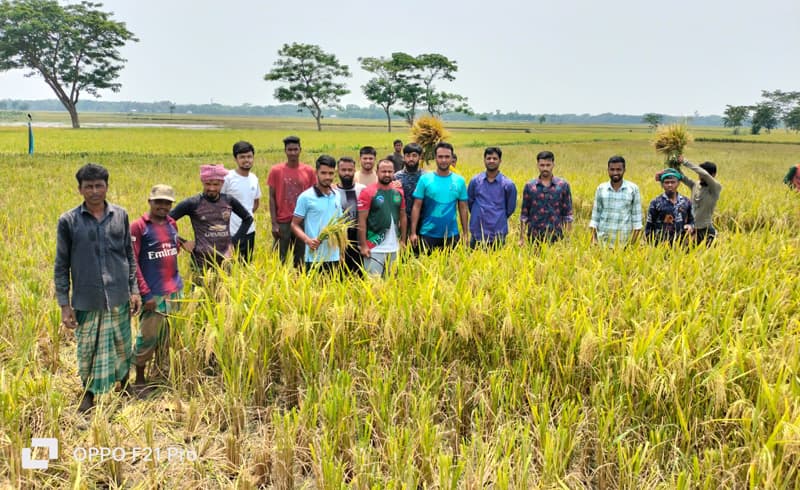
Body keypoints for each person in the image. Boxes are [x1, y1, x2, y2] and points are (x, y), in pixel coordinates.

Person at [55, 163, 141, 413]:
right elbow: (61, 264)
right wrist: (64, 305)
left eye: (99, 185)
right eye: (89, 186)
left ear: (107, 186)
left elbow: (128, 255)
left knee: (123, 344)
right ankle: (89, 393)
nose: (94, 191)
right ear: (80, 189)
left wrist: (134, 290)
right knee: (88, 349)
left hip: (119, 295)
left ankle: (123, 384)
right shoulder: (68, 221)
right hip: (87, 298)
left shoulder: (121, 215)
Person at [130, 184, 184, 387]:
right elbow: (132, 261)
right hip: (153, 294)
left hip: (174, 290)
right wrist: (145, 293)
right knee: (148, 337)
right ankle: (140, 380)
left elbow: (173, 249)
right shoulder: (139, 227)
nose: (163, 206)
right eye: (158, 201)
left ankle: (161, 374)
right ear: (150, 202)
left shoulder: (172, 224)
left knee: (168, 337)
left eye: (167, 202)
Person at [170, 164, 253, 275]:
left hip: (226, 261)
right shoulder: (193, 203)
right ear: (202, 182)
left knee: (226, 291)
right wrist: (182, 242)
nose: (212, 188)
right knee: (200, 292)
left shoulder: (228, 200)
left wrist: (233, 242)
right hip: (201, 262)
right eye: (208, 184)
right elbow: (165, 222)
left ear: (222, 183)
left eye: (216, 184)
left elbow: (248, 219)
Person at [410, 142, 469, 251]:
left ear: (452, 158)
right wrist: (413, 232)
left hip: (452, 235)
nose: (443, 160)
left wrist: (465, 233)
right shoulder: (425, 179)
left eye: (447, 157)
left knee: (452, 267)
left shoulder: (459, 181)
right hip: (427, 234)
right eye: (440, 157)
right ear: (435, 158)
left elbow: (463, 208)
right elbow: (416, 207)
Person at [268, 136, 316, 267]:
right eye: (290, 150)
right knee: (279, 259)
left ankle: (298, 283)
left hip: (302, 221)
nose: (293, 153)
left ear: (300, 150)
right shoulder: (276, 171)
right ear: (285, 151)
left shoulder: (309, 171)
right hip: (283, 221)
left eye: (295, 149)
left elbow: (314, 197)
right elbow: (271, 198)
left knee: (300, 258)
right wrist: (274, 223)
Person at [291, 155, 344, 272]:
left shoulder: (337, 195)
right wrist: (307, 240)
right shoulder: (306, 197)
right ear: (316, 173)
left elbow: (339, 225)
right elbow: (294, 224)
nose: (327, 177)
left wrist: (341, 252)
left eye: (331, 173)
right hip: (314, 256)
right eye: (323, 173)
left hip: (334, 255)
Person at [358, 159, 407, 276]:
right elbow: (361, 221)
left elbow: (403, 216)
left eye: (390, 171)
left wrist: (403, 241)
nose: (387, 174)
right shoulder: (368, 192)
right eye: (383, 171)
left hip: (394, 248)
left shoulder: (398, 191)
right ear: (377, 172)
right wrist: (364, 245)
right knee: (373, 285)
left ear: (394, 172)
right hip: (374, 248)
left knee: (393, 285)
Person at [519, 150, 574, 244]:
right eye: (542, 165)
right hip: (534, 236)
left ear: (553, 165)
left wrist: (568, 238)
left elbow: (568, 214)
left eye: (548, 165)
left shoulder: (562, 185)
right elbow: (524, 214)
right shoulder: (530, 186)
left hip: (557, 236)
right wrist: (522, 238)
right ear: (537, 165)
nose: (545, 168)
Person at [467, 146, 517, 247]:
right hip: (477, 233)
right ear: (484, 160)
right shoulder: (475, 181)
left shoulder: (508, 184)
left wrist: (497, 216)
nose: (491, 161)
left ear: (500, 161)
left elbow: (510, 209)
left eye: (495, 158)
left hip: (497, 233)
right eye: (488, 158)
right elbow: (470, 203)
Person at [589, 155, 643, 247]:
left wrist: (631, 245)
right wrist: (594, 240)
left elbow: (637, 221)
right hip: (603, 243)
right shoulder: (601, 189)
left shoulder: (632, 189)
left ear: (624, 170)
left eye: (618, 169)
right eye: (612, 169)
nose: (615, 172)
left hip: (624, 243)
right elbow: (595, 217)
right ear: (608, 170)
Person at [221, 141, 261, 263]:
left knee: (246, 265)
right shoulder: (227, 178)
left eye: (249, 156)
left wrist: (244, 216)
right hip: (230, 232)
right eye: (242, 157)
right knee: (228, 266)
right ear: (235, 159)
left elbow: (255, 203)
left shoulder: (254, 178)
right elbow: (218, 203)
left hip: (249, 231)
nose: (246, 160)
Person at [678, 157, 721, 244]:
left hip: (706, 229)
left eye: (701, 173)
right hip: (692, 228)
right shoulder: (696, 185)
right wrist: (675, 164)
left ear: (713, 175)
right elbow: (682, 177)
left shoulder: (715, 188)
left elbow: (705, 174)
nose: (700, 176)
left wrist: (685, 162)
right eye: (699, 174)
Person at [645, 169, 694, 244]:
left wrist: (690, 226)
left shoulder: (686, 202)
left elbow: (693, 220)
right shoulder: (655, 203)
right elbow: (649, 226)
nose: (670, 185)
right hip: (660, 246)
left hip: (682, 245)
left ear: (678, 183)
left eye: (673, 182)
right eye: (666, 182)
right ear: (662, 184)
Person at [335, 156, 366, 274]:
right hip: (338, 237)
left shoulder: (362, 189)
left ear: (354, 171)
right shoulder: (332, 191)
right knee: (339, 271)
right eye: (343, 170)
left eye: (350, 170)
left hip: (358, 236)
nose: (347, 173)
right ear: (338, 171)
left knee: (358, 270)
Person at [394, 143, 426, 236]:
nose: (411, 159)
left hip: (423, 221)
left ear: (420, 157)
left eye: (414, 156)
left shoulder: (426, 177)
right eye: (408, 156)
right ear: (404, 157)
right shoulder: (396, 177)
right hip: (401, 221)